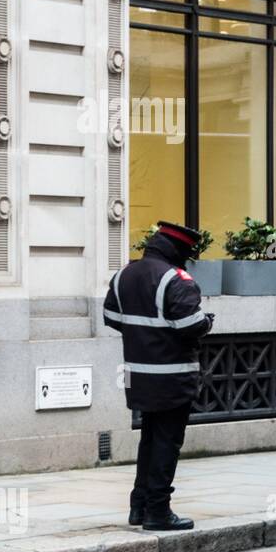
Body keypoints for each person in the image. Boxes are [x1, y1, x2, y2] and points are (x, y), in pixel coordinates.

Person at [103, 222, 214, 531]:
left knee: (149, 439)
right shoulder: (176, 279)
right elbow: (190, 325)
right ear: (178, 250)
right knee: (166, 443)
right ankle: (158, 511)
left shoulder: (125, 274)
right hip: (172, 377)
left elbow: (111, 317)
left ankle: (138, 506)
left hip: (136, 374)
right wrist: (207, 322)